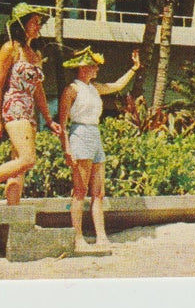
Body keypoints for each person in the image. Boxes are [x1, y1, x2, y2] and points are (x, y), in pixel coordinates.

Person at [0, 7, 60, 206]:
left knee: (19, 168)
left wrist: (49, 119)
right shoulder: (10, 48)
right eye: (34, 21)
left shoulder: (35, 54)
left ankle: (13, 215)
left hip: (29, 111)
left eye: (39, 22)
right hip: (14, 106)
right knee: (28, 159)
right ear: (22, 23)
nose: (38, 26)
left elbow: (38, 91)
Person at [59, 46, 140, 252]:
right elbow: (62, 123)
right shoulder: (71, 90)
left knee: (98, 192)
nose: (97, 69)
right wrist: (66, 148)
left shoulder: (94, 88)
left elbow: (116, 86)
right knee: (80, 190)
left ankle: (101, 236)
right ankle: (78, 237)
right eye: (93, 66)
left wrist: (134, 68)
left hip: (95, 135)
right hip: (80, 135)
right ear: (83, 67)